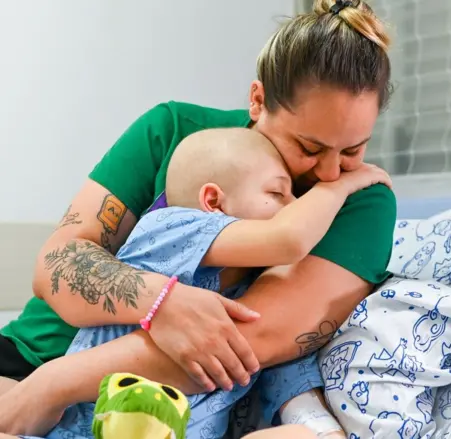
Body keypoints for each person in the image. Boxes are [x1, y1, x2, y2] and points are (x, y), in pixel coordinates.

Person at [0, 0, 395, 436]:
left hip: (138, 405)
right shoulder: (174, 131)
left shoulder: (360, 202)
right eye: (309, 147)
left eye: (354, 150)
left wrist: (54, 386)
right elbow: (57, 263)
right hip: (26, 362)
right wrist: (160, 302)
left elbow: (242, 342)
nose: (328, 172)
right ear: (258, 100)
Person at [14, 126, 390, 439]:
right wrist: (340, 187)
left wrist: (317, 426)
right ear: (214, 201)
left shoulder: (244, 296)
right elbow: (288, 238)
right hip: (89, 425)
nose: (292, 206)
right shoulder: (174, 228)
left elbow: (278, 366)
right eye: (277, 193)